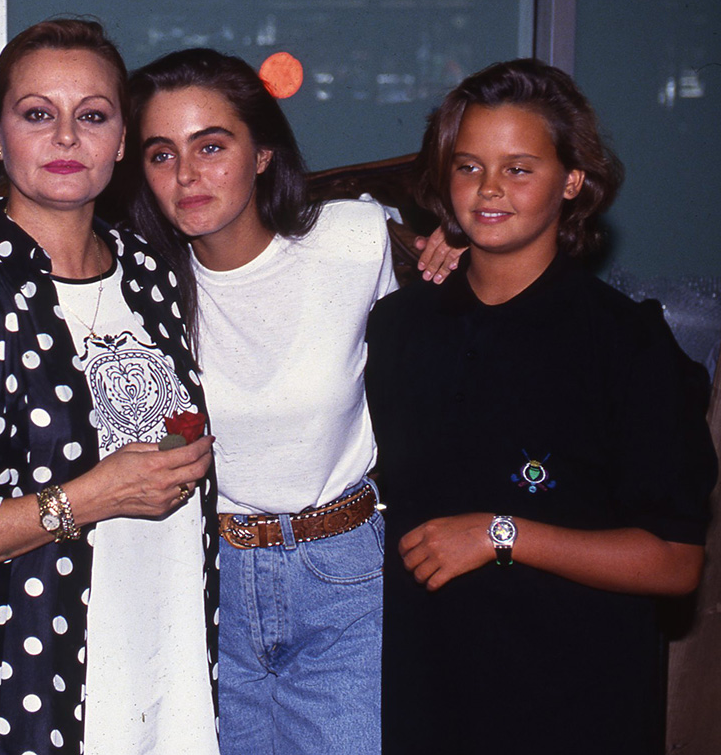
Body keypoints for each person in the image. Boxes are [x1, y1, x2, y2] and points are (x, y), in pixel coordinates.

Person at [0, 19, 219, 755]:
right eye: (38, 114)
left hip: (172, 667)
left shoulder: (149, 272)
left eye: (92, 116)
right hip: (27, 688)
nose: (67, 137)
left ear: (122, 140)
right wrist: (94, 495)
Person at [365, 58, 716, 754]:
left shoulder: (625, 343)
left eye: (519, 168)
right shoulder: (399, 326)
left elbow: (676, 560)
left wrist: (501, 532)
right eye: (468, 167)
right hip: (423, 697)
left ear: (573, 182)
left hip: (574, 701)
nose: (489, 188)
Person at [124, 47, 394, 755]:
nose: (186, 175)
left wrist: (450, 252)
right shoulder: (139, 290)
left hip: (344, 573)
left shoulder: (356, 240)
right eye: (161, 154)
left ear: (263, 150)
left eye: (211, 146)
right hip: (206, 580)